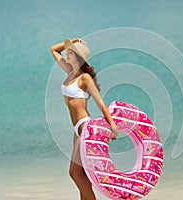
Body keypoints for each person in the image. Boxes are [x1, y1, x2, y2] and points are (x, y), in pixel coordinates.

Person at [50, 38, 119, 200]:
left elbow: (99, 101)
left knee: (74, 173)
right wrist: (72, 41)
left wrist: (113, 125)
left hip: (85, 127)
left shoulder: (85, 78)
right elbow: (53, 50)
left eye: (71, 52)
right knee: (83, 174)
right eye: (68, 52)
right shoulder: (69, 72)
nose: (67, 54)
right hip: (76, 129)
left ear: (79, 57)